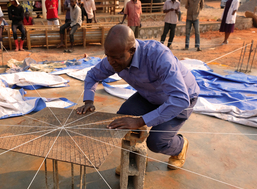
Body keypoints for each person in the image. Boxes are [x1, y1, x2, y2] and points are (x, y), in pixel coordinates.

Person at [76, 25, 200, 172]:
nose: (110, 62)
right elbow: (92, 75)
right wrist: (88, 101)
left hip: (181, 99)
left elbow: (179, 99)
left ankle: (179, 146)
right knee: (122, 119)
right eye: (107, 56)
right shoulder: (115, 57)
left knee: (156, 142)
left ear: (132, 51)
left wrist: (140, 121)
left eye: (115, 58)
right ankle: (136, 158)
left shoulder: (159, 57)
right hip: (150, 95)